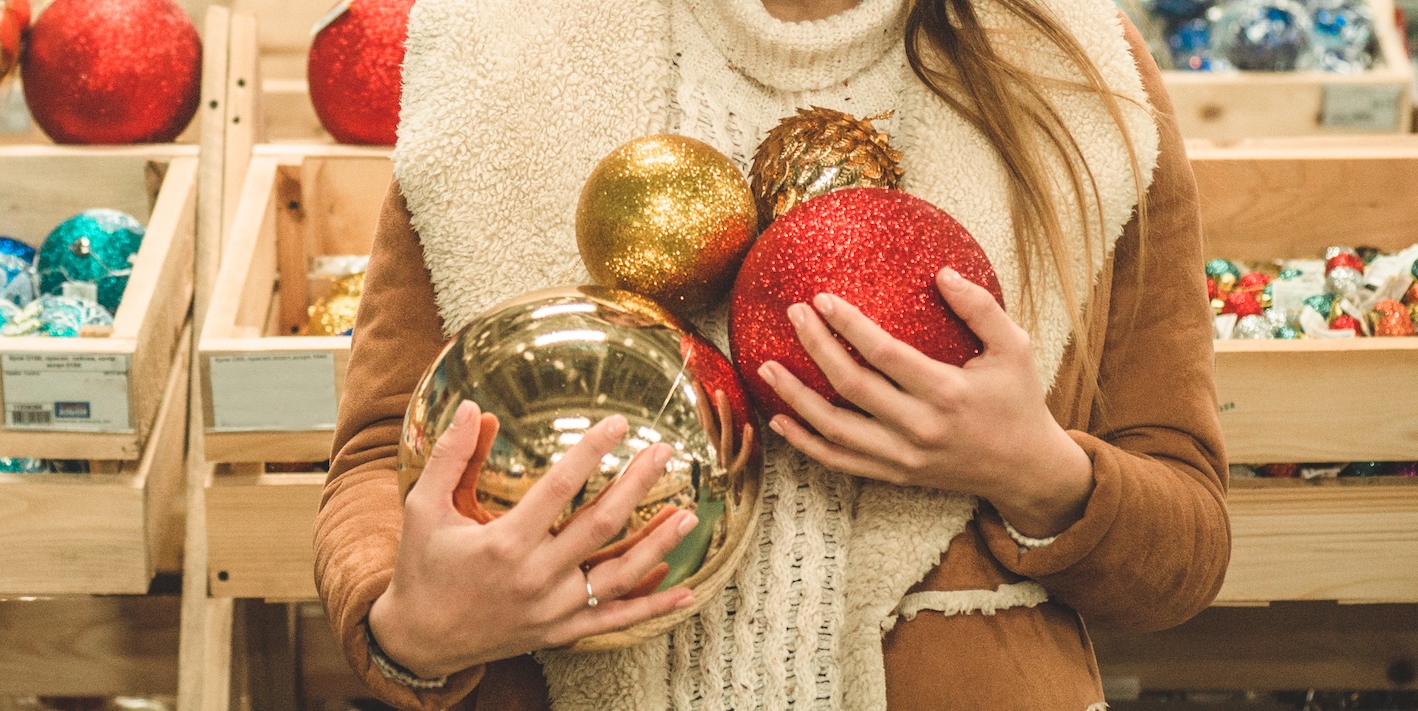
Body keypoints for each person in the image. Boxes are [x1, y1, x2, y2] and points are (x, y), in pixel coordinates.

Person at [314, 0, 1231, 706]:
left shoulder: (1081, 76)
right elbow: (377, 456)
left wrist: (1039, 473)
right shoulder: (497, 54)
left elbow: (1186, 537)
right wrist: (411, 631)